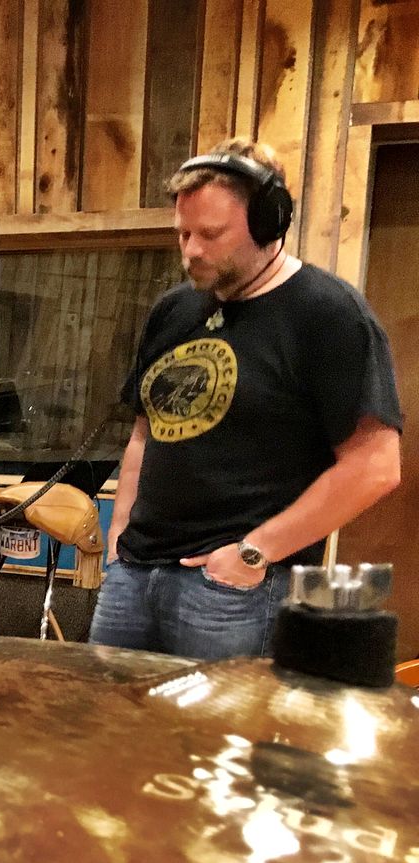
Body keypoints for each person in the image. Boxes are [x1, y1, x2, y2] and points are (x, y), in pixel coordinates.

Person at [89, 139, 402, 659]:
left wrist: (253, 554)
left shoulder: (328, 314)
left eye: (211, 234)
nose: (191, 250)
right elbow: (146, 432)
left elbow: (375, 465)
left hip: (232, 591)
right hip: (135, 576)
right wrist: (119, 536)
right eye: (184, 233)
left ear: (268, 223)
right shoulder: (174, 310)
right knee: (108, 710)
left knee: (222, 718)